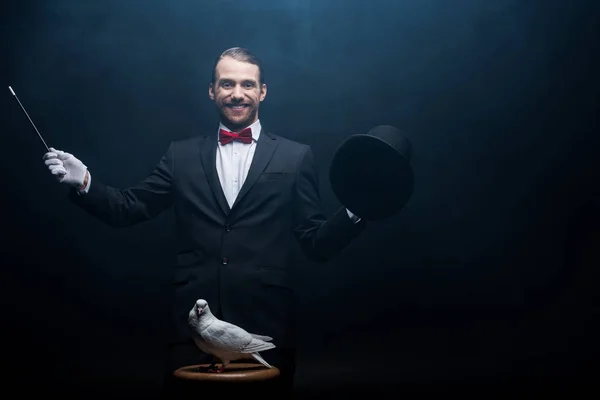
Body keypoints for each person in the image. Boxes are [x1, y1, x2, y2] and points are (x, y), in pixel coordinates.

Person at [42, 47, 366, 395]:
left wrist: (357, 210)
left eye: (247, 84)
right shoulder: (180, 155)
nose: (237, 93)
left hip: (266, 323)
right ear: (212, 90)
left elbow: (314, 242)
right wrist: (85, 183)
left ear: (262, 91)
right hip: (192, 330)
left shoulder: (295, 156)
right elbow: (129, 208)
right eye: (227, 84)